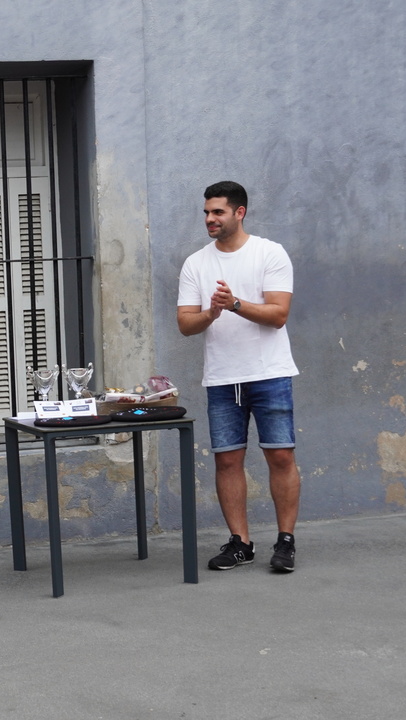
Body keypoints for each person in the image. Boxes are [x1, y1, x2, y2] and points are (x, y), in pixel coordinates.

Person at [177, 181, 302, 573]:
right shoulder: (196, 263)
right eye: (206, 212)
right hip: (222, 377)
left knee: (280, 455)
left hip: (270, 373)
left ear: (239, 212)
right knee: (228, 461)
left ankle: (285, 541)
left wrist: (233, 304)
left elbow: (278, 314)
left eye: (218, 212)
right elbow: (185, 323)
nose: (209, 219)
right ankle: (240, 543)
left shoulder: (269, 253)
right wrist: (211, 313)